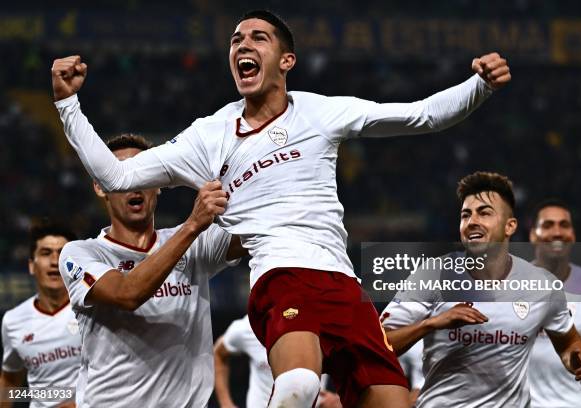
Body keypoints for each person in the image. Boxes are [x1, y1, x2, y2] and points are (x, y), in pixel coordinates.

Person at [51, 9, 511, 407]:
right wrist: (68, 103)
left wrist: (480, 86)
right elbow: (117, 176)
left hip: (345, 284)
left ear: (286, 60)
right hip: (281, 278)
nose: (242, 45)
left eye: (257, 38)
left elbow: (422, 115)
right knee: (298, 385)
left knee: (392, 400)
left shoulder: (320, 112)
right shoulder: (208, 135)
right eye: (235, 40)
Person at [380, 172, 581, 407]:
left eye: (484, 213)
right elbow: (379, 343)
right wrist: (431, 323)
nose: (472, 221)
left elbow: (568, 341)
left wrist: (578, 361)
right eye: (466, 215)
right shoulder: (433, 274)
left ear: (510, 226)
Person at [57, 134, 244, 407]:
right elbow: (127, 294)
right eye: (120, 174)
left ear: (159, 183)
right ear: (100, 187)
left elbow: (261, 227)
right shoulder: (81, 253)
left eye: (142, 173)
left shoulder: (198, 245)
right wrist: (191, 225)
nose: (133, 184)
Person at [528, 199, 581, 408]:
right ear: (533, 235)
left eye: (564, 225)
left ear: (572, 235)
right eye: (547, 225)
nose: (557, 232)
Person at [1, 220, 79, 408]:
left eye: (62, 254)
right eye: (46, 253)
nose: (54, 261)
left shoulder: (97, 310)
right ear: (31, 265)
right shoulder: (13, 321)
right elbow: (10, 382)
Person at [214, 315, 342, 408]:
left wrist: (340, 400)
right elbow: (218, 353)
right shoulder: (250, 326)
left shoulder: (323, 324)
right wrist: (226, 403)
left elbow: (356, 361)